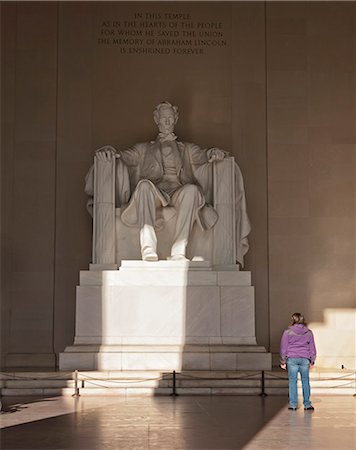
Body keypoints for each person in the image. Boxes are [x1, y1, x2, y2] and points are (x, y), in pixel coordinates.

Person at [88, 101, 251, 263]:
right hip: (155, 191)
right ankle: (148, 247)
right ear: (156, 119)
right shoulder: (143, 149)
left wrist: (213, 152)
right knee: (143, 186)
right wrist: (109, 151)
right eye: (164, 117)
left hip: (178, 190)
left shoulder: (186, 148)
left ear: (175, 119)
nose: (167, 121)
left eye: (170, 118)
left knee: (192, 190)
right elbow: (123, 155)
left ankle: (179, 250)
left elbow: (203, 155)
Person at [280, 312, 316, 411]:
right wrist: (312, 360)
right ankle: (307, 404)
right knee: (305, 381)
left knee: (292, 382)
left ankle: (293, 405)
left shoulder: (287, 332)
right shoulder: (309, 332)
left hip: (292, 358)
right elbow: (312, 348)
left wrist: (283, 361)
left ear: (293, 320)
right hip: (305, 358)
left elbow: (283, 348)